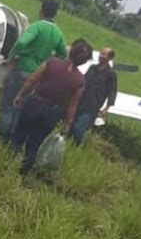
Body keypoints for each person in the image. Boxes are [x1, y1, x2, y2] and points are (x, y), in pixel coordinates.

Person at [11, 39, 93, 175]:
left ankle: (5, 164)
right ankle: (22, 172)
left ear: (71, 51)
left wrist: (20, 95)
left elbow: (32, 80)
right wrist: (67, 124)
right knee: (34, 144)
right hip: (52, 113)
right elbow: (72, 105)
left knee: (19, 136)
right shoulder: (80, 81)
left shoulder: (51, 63)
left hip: (34, 103)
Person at [0, 0, 67, 140]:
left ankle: (0, 133)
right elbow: (63, 54)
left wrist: (12, 56)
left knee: (8, 103)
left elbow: (22, 42)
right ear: (55, 14)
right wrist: (47, 62)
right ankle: (10, 137)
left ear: (41, 10)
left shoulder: (37, 27)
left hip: (21, 69)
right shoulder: (57, 33)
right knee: (20, 107)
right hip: (36, 76)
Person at [69, 47, 118, 145]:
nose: (101, 56)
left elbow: (112, 92)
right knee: (70, 127)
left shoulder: (111, 75)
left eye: (104, 54)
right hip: (80, 102)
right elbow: (83, 82)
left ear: (109, 58)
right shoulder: (92, 68)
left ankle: (76, 146)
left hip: (92, 107)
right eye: (101, 53)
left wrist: (106, 108)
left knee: (78, 129)